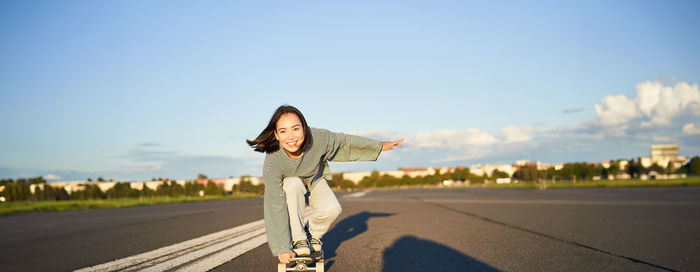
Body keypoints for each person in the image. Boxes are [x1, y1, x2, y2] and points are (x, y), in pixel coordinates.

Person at [246, 105, 403, 264]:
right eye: (283, 131)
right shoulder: (273, 161)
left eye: (295, 129)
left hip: (314, 180)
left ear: (304, 128)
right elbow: (274, 204)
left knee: (332, 209)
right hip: (291, 187)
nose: (291, 137)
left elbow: (344, 142)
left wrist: (378, 146)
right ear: (276, 135)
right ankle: (299, 239)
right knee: (293, 183)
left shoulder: (318, 138)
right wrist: (281, 247)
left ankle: (310, 234)